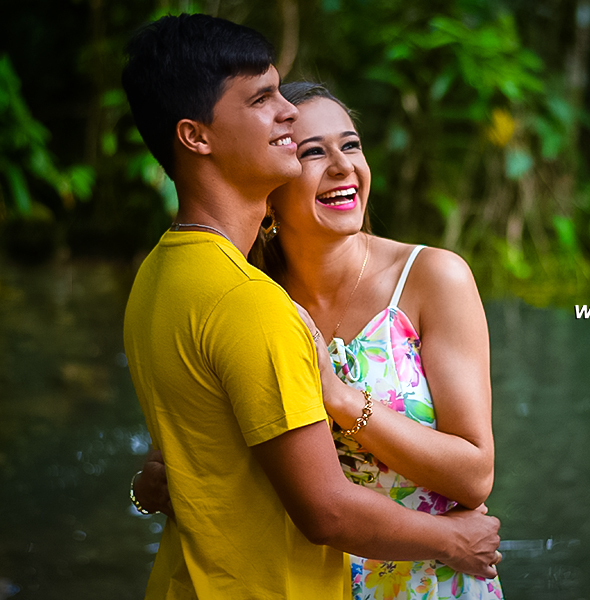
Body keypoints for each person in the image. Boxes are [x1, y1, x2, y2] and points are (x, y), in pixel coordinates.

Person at [121, 14, 501, 600]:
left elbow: (476, 475)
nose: (343, 166)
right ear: (272, 184)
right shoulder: (247, 299)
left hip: (420, 582)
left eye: (351, 145)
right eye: (311, 152)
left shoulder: (430, 278)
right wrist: (164, 482)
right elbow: (202, 456)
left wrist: (344, 400)